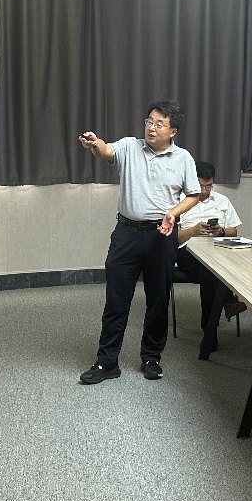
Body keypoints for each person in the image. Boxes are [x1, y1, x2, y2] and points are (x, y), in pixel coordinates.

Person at [78, 101, 200, 384]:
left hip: (162, 235)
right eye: (149, 121)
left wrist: (173, 213)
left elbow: (194, 195)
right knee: (116, 299)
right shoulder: (129, 147)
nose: (151, 128)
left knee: (158, 299)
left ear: (173, 131)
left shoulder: (183, 158)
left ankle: (151, 357)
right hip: (127, 233)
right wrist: (95, 143)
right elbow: (106, 150)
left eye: (159, 124)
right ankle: (107, 362)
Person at [174, 160, 243, 360]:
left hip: (216, 251)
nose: (204, 191)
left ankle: (209, 333)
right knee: (210, 267)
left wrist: (220, 231)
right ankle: (228, 302)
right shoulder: (178, 200)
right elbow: (174, 238)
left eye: (208, 186)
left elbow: (233, 231)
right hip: (188, 252)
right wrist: (194, 231)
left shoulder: (222, 200)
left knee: (210, 271)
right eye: (200, 186)